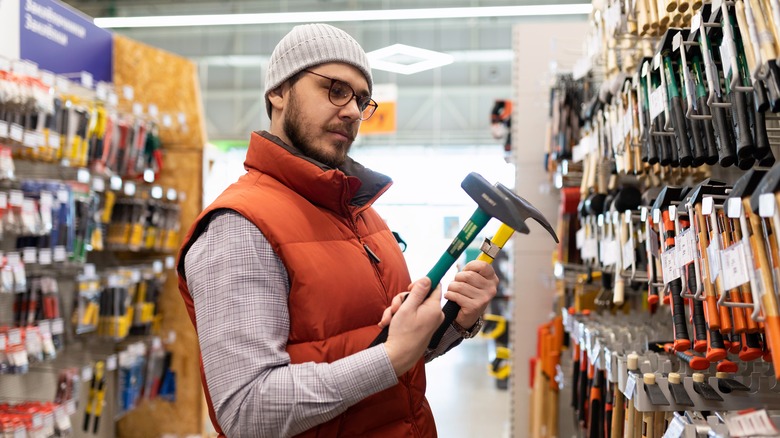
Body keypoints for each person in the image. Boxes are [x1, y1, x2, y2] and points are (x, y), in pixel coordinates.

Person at [176, 23, 499, 438]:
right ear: (278, 91)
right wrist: (390, 357)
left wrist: (456, 320)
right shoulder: (239, 226)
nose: (351, 110)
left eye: (362, 99)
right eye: (335, 89)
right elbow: (247, 411)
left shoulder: (361, 215)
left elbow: (388, 353)